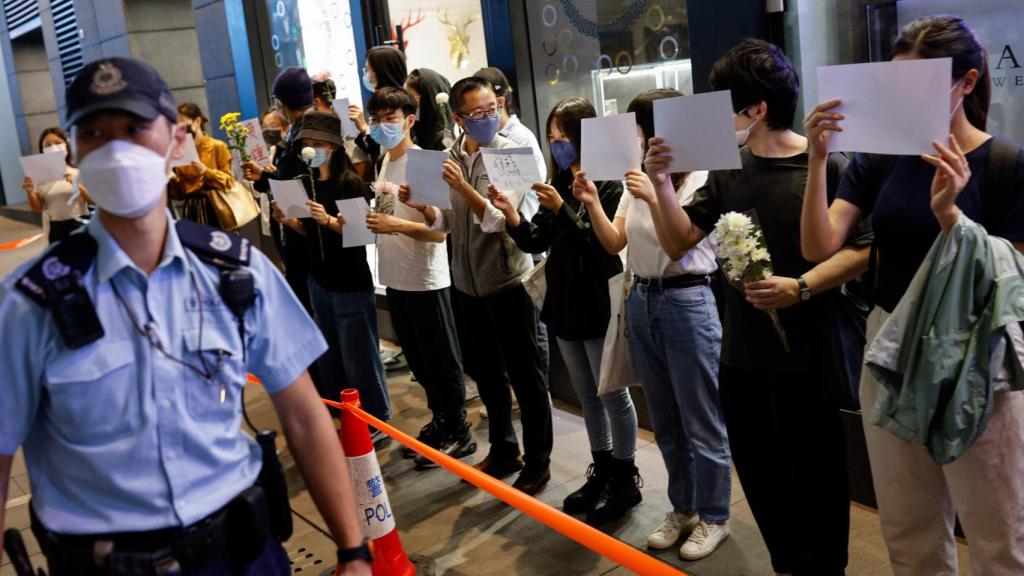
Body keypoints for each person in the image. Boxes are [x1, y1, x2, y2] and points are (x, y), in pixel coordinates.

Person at [0, 57, 371, 575]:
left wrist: (354, 551)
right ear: (76, 152)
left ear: (177, 141)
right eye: (95, 133)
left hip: (243, 554)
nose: (117, 150)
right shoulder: (28, 303)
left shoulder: (236, 272)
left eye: (134, 128)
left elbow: (306, 417)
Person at [801, 15, 1024, 576]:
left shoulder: (1005, 164)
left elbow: (1014, 277)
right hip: (889, 341)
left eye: (918, 84)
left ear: (966, 83)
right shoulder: (878, 158)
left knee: (997, 531)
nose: (901, 99)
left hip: (975, 354)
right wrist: (819, 159)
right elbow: (819, 244)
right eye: (894, 83)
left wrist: (951, 217)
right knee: (907, 524)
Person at [645, 41, 871, 573]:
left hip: (810, 356)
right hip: (742, 354)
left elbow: (862, 248)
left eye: (725, 102)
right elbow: (679, 241)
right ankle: (787, 564)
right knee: (762, 474)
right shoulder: (728, 169)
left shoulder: (828, 164)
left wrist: (803, 286)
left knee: (818, 475)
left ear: (757, 108)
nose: (719, 115)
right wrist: (660, 186)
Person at [573, 88, 730, 558]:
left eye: (644, 128)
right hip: (640, 298)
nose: (640, 139)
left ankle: (715, 515)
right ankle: (682, 506)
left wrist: (657, 191)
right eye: (639, 130)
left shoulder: (701, 175)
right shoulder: (637, 174)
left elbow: (679, 244)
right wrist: (591, 202)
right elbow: (614, 241)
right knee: (663, 418)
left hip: (688, 299)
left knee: (701, 418)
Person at [490, 96, 640, 523]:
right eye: (553, 138)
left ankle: (625, 478)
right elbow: (539, 240)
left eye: (564, 137)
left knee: (612, 394)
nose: (557, 146)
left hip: (597, 299)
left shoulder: (609, 182)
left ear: (584, 136)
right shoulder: (558, 180)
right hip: (564, 302)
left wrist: (566, 208)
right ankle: (602, 466)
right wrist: (512, 217)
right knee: (586, 395)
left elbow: (604, 247)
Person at [414, 76, 553, 495]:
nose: (487, 118)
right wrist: (425, 207)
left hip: (509, 280)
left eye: (492, 108)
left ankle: (539, 460)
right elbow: (446, 222)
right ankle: (504, 448)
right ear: (457, 119)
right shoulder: (452, 155)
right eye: (476, 114)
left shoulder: (515, 153)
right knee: (488, 375)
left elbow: (499, 221)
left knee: (527, 378)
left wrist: (462, 189)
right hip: (467, 285)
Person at [362, 87, 474, 467]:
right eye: (376, 119)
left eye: (389, 119)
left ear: (410, 120)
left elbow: (440, 232)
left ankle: (459, 431)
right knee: (419, 360)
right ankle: (440, 421)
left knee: (441, 359)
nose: (381, 126)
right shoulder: (384, 161)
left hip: (426, 278)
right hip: (396, 276)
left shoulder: (424, 162)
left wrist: (396, 223)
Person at [269, 111, 391, 430]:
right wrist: (291, 222)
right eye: (306, 143)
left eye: (318, 143)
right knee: (331, 359)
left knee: (359, 360)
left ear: (334, 147)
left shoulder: (349, 183)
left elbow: (361, 236)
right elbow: (313, 235)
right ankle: (347, 419)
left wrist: (329, 220)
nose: (311, 149)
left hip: (349, 285)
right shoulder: (307, 182)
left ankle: (377, 421)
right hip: (319, 281)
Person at [169, 101, 237, 230]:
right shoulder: (180, 150)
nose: (182, 129)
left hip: (217, 207)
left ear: (197, 121)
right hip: (191, 209)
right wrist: (175, 180)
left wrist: (207, 172)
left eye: (185, 124)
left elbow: (229, 182)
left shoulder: (217, 146)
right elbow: (179, 195)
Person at [21, 127, 91, 243]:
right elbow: (37, 208)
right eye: (48, 145)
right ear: (42, 150)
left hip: (79, 221)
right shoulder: (39, 176)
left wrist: (77, 185)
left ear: (66, 145)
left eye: (58, 143)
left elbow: (94, 201)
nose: (53, 147)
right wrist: (29, 192)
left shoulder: (78, 170)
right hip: (55, 226)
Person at [350, 46, 408, 164]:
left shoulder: (402, 105)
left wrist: (365, 128)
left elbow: (387, 145)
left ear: (379, 73)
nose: (365, 74)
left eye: (367, 69)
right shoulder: (378, 102)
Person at [405, 68, 453, 151]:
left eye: (412, 97)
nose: (408, 103)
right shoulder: (419, 131)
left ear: (428, 99)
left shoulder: (444, 138)